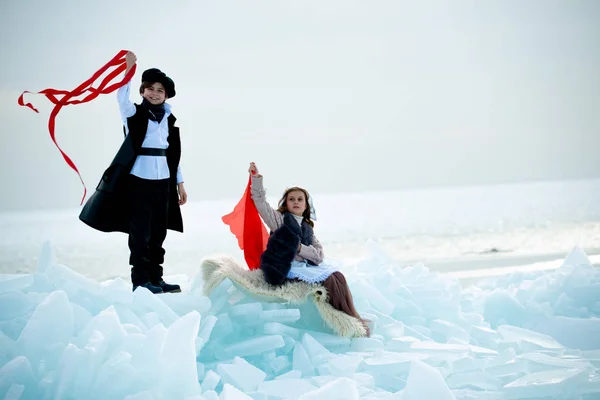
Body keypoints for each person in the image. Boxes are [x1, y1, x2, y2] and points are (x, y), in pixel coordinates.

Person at [79, 51, 187, 294]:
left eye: (160, 90)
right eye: (150, 88)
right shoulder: (133, 114)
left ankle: (156, 278)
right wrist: (128, 70)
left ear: (166, 95)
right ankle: (140, 281)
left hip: (164, 182)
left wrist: (180, 183)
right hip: (138, 181)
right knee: (140, 234)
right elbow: (121, 97)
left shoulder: (169, 120)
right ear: (142, 91)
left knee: (159, 232)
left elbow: (173, 156)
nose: (155, 93)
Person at [247, 162, 370, 336]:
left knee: (338, 276)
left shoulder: (307, 228)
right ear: (286, 204)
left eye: (300, 199)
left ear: (305, 206)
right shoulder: (280, 220)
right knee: (329, 281)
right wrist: (256, 179)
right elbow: (260, 203)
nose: (296, 202)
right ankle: (343, 319)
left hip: (305, 267)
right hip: (286, 268)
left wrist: (299, 248)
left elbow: (318, 256)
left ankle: (351, 316)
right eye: (292, 199)